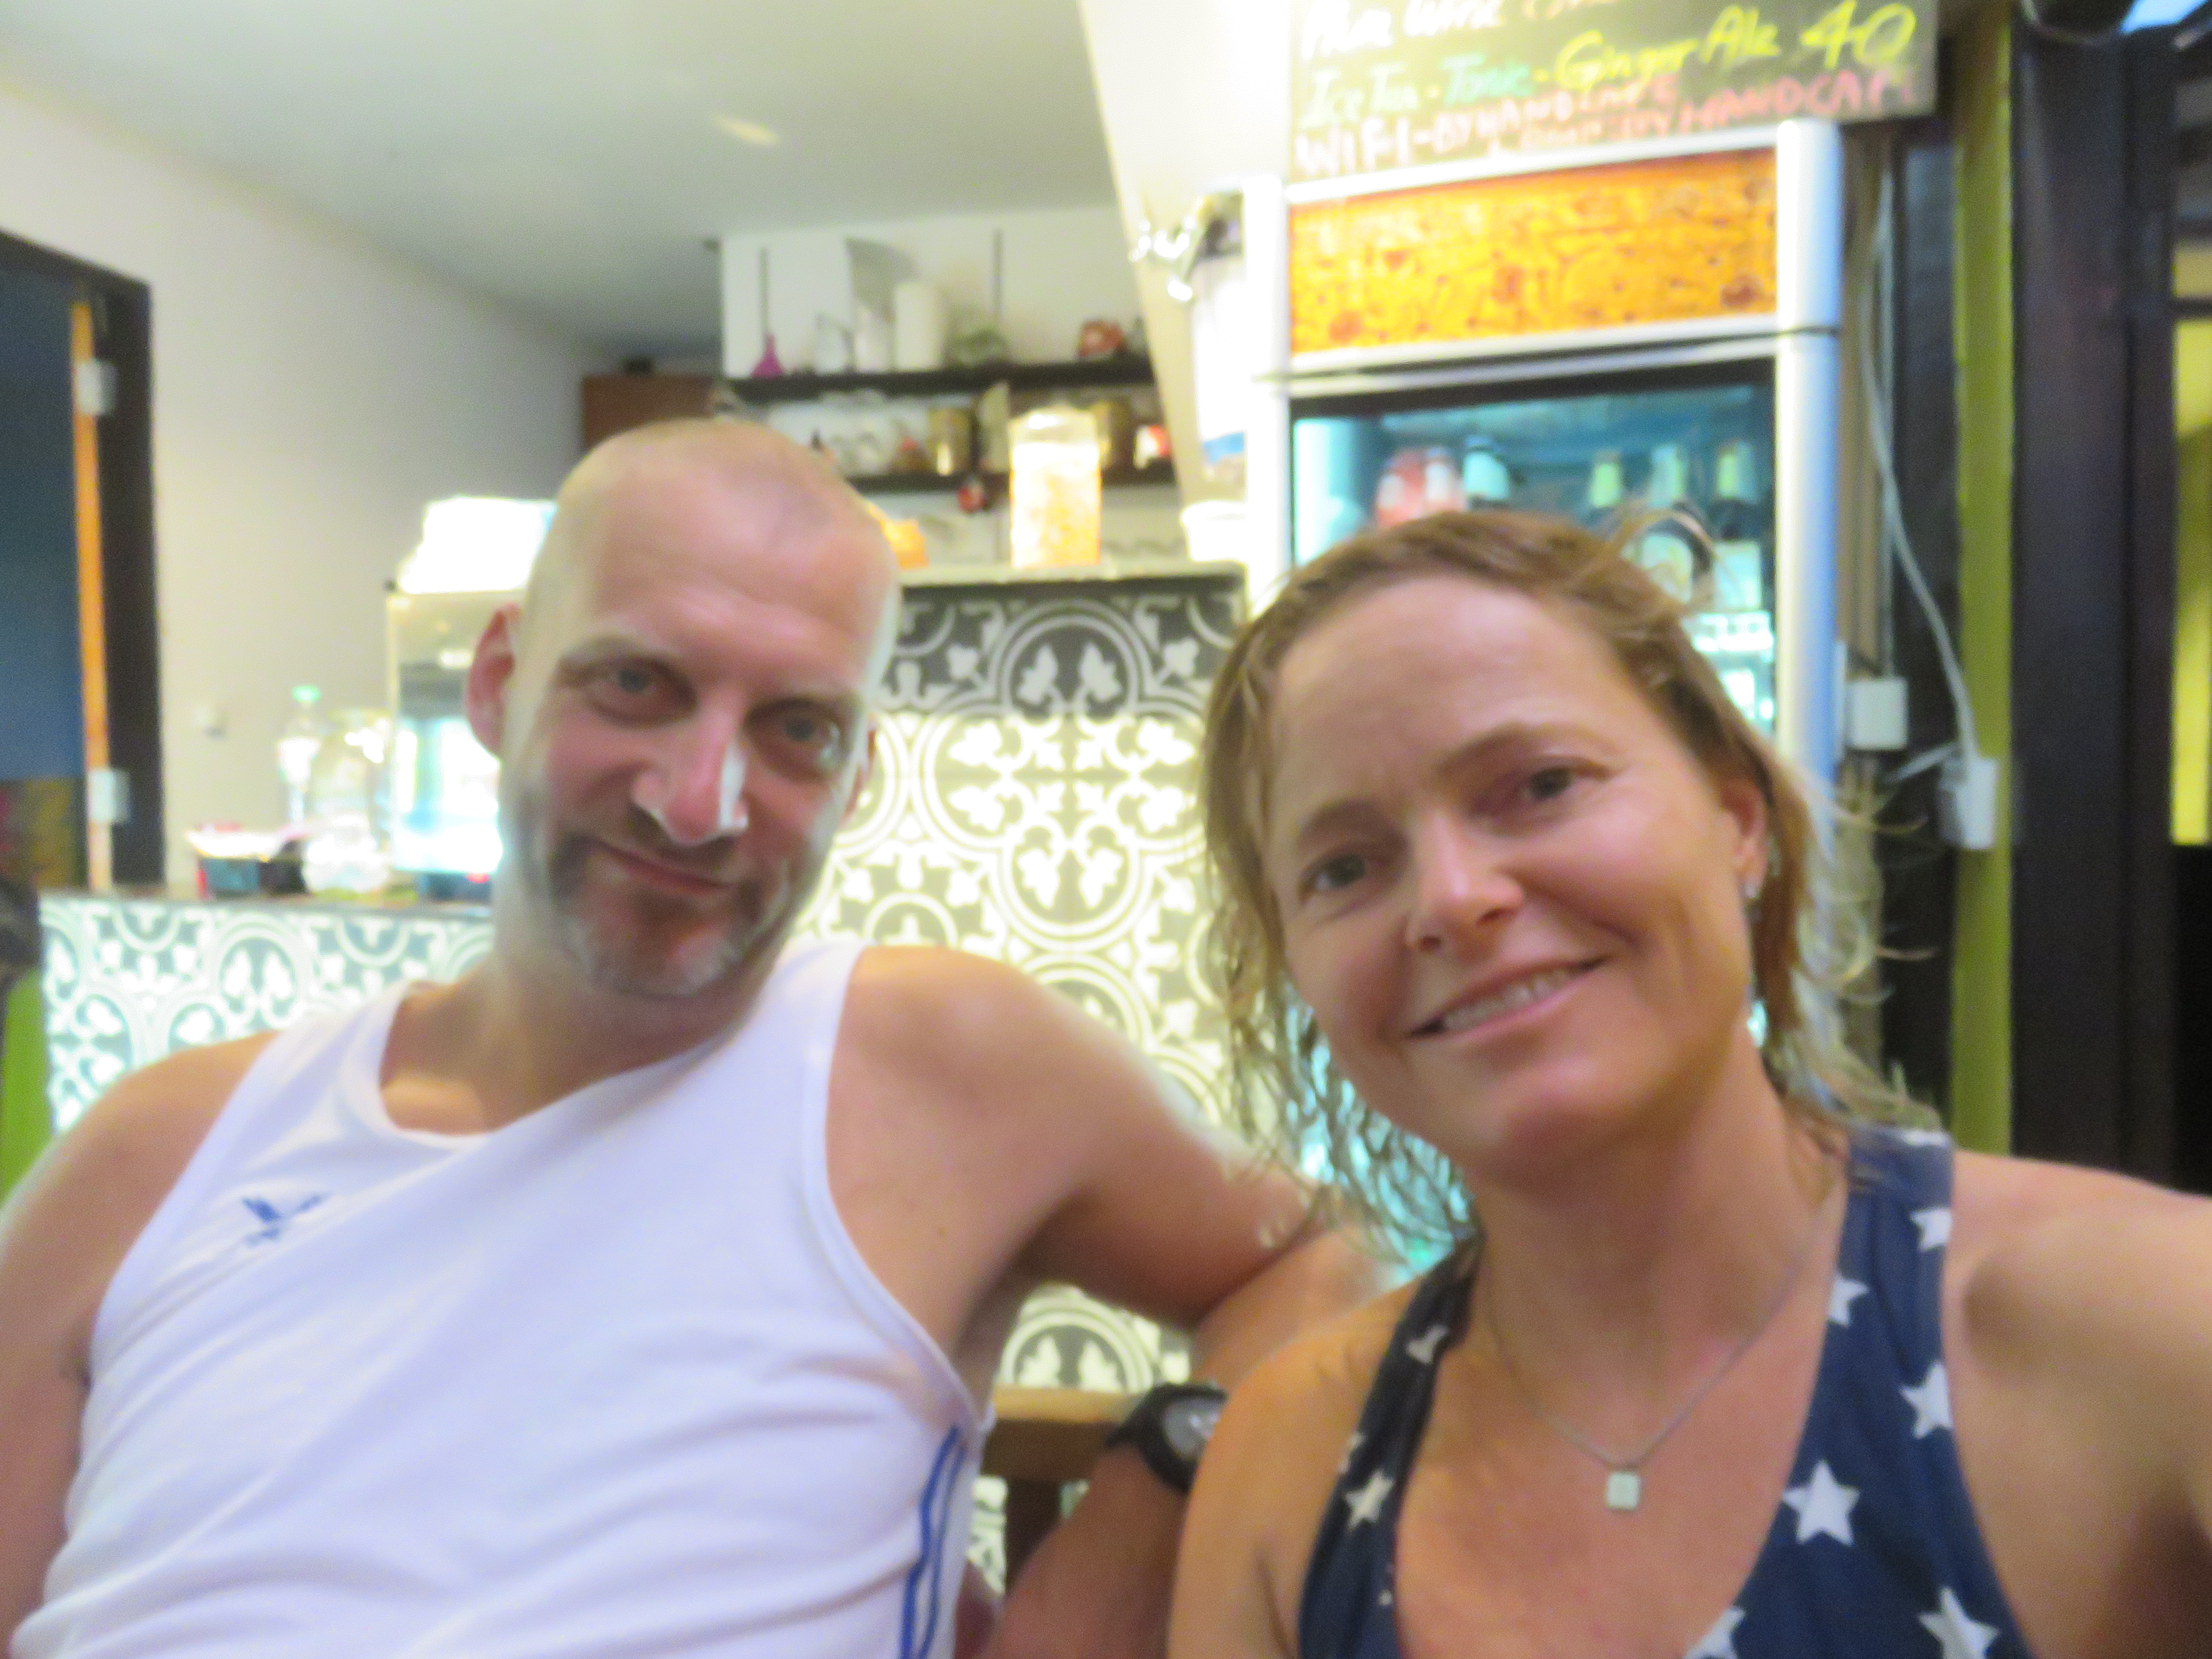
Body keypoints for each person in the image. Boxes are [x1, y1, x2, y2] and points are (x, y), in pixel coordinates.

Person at [0, 421, 1380, 1659]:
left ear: (859, 778)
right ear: (498, 683)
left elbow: (1318, 1263)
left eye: (798, 730)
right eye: (637, 684)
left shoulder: (944, 1065)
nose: (702, 801)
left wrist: (1130, 1538)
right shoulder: (156, 1151)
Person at [1168, 510, 2212, 1659]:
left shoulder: (2146, 1328)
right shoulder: (1290, 1465)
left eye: (1543, 784)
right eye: (1345, 868)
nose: (1453, 898)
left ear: (1737, 820)